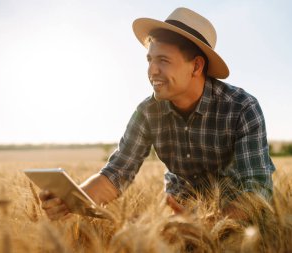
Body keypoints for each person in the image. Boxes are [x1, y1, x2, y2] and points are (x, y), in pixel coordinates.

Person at [39, 7, 275, 220]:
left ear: (196, 66)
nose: (151, 70)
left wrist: (208, 224)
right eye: (149, 59)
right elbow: (116, 173)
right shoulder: (147, 112)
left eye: (163, 60)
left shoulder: (242, 108)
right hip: (176, 212)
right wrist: (72, 201)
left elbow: (257, 191)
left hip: (233, 215)